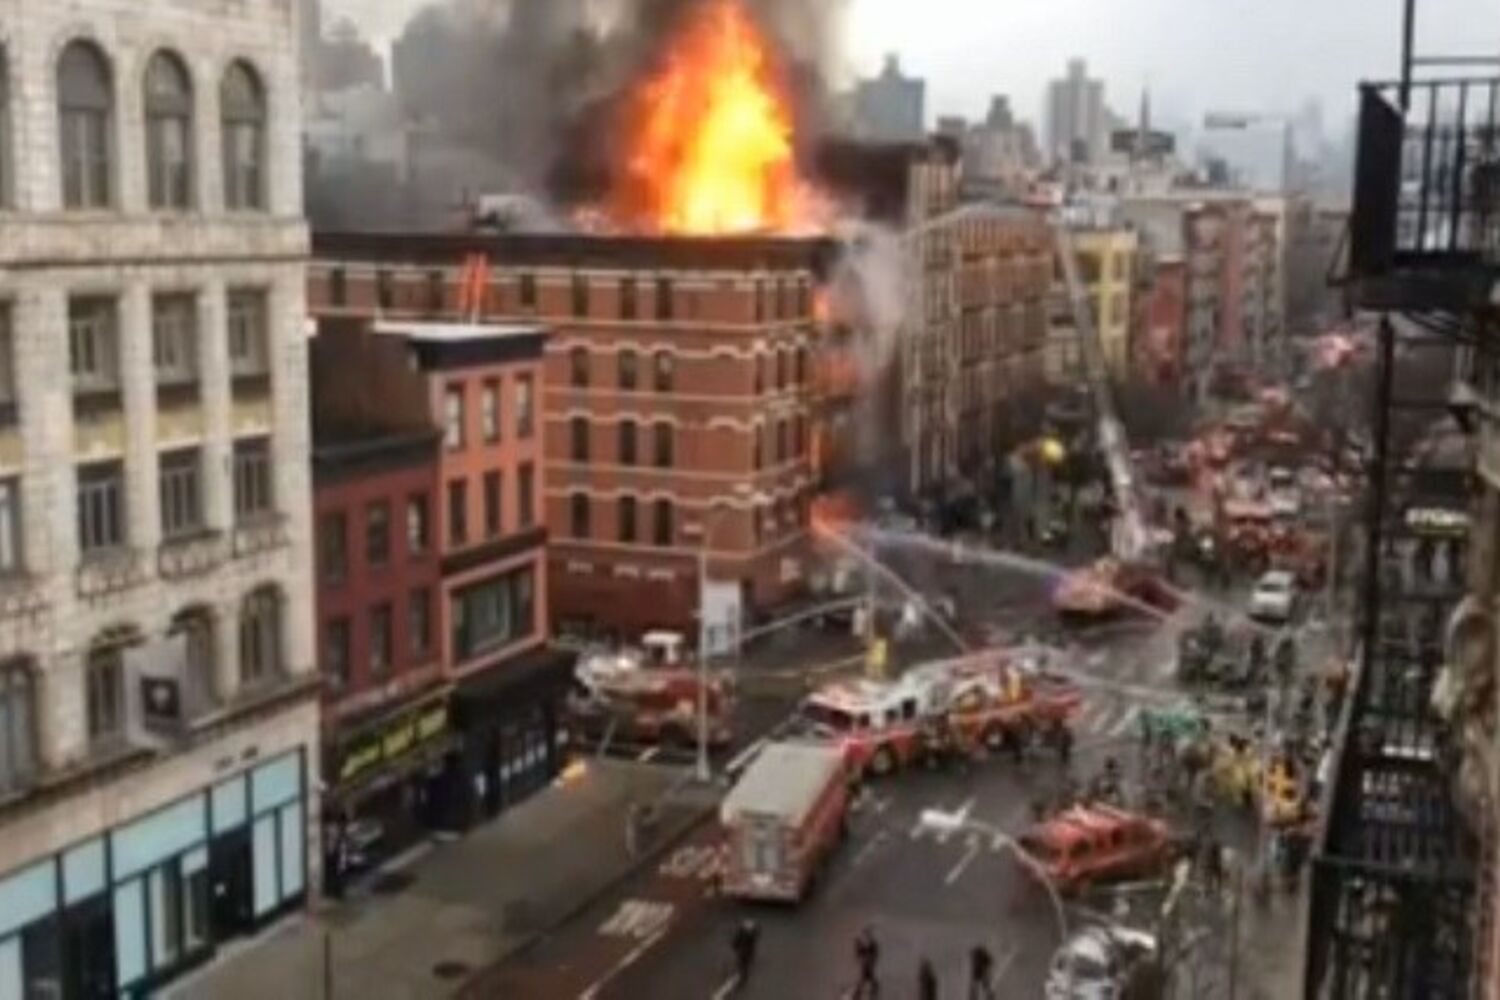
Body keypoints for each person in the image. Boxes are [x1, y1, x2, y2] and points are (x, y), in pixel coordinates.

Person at [853, 926, 880, 997]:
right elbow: (858, 953)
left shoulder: (873, 943)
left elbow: (875, 954)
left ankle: (859, 993)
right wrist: (861, 959)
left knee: (866, 977)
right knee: (866, 977)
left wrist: (871, 960)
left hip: (868, 963)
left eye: (867, 934)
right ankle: (871, 991)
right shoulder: (860, 943)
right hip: (865, 963)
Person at [732, 919, 759, 985]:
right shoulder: (750, 936)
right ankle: (743, 976)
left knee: (742, 964)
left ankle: (742, 977)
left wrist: (735, 945)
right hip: (746, 951)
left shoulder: (745, 935)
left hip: (744, 952)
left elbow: (737, 941)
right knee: (743, 964)